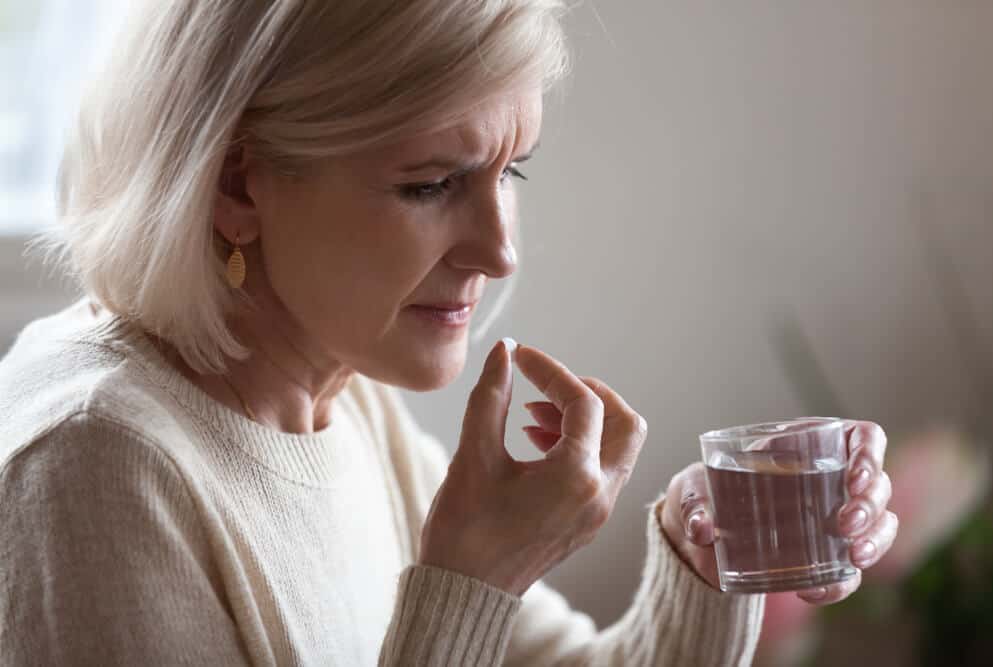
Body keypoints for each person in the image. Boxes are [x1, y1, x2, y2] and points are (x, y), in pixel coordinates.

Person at [0, 1, 898, 665]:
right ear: (237, 186)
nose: (502, 252)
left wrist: (708, 555)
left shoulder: (338, 397)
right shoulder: (93, 468)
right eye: (431, 184)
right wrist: (471, 582)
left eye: (513, 170)